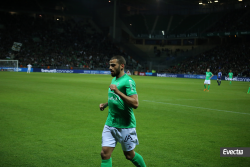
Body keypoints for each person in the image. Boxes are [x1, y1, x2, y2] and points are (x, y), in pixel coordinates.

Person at [99, 55, 146, 167]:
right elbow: (115, 99)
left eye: (113, 65)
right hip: (110, 123)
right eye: (110, 65)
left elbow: (135, 103)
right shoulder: (114, 79)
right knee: (105, 154)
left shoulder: (128, 81)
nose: (110, 67)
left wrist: (118, 91)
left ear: (122, 66)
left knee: (129, 155)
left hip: (125, 126)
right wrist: (105, 104)